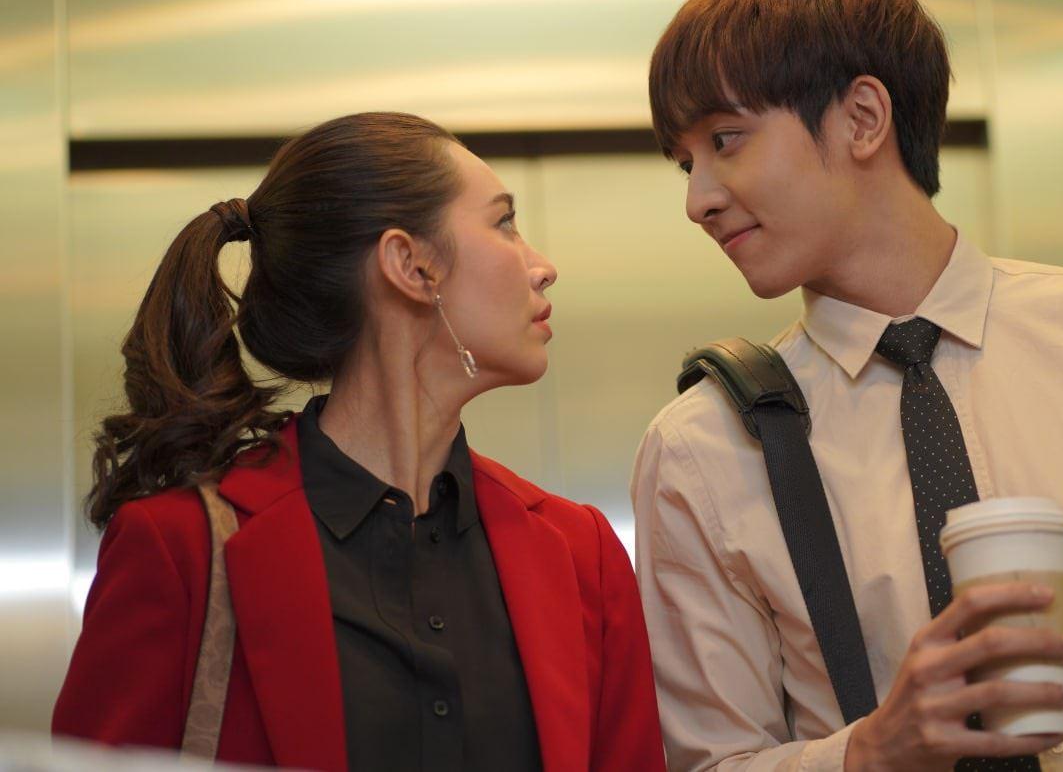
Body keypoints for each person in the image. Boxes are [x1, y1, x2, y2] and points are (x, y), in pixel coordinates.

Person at [630, 0, 1063, 772]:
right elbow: (713, 761)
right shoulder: (702, 450)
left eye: (725, 140)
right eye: (684, 162)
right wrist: (869, 752)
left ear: (862, 118)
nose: (698, 200)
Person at [53, 112, 666, 772]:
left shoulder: (581, 555)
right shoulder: (183, 550)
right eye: (504, 223)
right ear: (409, 264)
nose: (543, 267)